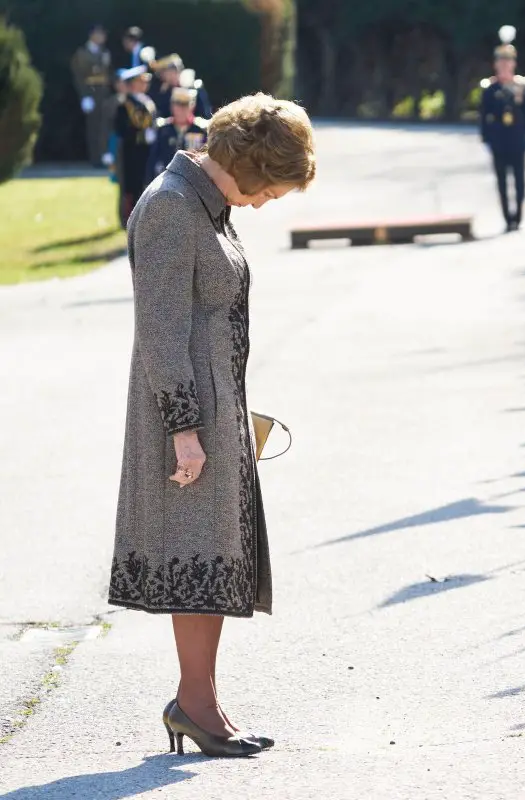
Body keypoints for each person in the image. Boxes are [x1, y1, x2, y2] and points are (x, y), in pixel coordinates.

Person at [108, 92, 316, 758]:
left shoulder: (205, 204)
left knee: (214, 559)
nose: (271, 201)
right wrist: (185, 428)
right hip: (186, 416)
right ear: (251, 165)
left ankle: (201, 703)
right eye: (274, 189)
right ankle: (195, 706)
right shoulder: (172, 207)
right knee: (193, 558)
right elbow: (161, 330)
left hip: (211, 408)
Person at [480, 25, 525, 232]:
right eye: (501, 62)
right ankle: (507, 218)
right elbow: (483, 116)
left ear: (514, 64)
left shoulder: (522, 86)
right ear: (496, 65)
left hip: (518, 139)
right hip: (498, 140)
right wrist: (485, 139)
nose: (504, 66)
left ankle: (518, 217)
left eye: (508, 62)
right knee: (502, 181)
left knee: (520, 181)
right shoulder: (490, 89)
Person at [113, 66, 158, 227]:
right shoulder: (125, 105)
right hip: (131, 152)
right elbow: (121, 129)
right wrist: (140, 135)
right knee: (130, 186)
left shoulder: (147, 102)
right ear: (132, 84)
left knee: (145, 182)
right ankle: (129, 219)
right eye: (141, 81)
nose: (145, 84)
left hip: (146, 151)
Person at [70, 24, 114, 167]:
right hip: (91, 93)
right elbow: (79, 76)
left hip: (103, 93)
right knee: (93, 127)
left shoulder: (104, 52)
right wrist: (84, 96)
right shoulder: (82, 53)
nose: (103, 37)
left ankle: (103, 156)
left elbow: (107, 74)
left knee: (104, 126)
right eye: (99, 34)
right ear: (92, 35)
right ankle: (95, 159)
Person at [145, 87, 209, 184]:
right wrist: (148, 181)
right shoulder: (163, 128)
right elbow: (153, 157)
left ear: (192, 106)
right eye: (178, 104)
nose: (181, 109)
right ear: (172, 106)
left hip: (194, 180)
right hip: (166, 179)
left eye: (185, 105)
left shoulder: (201, 129)